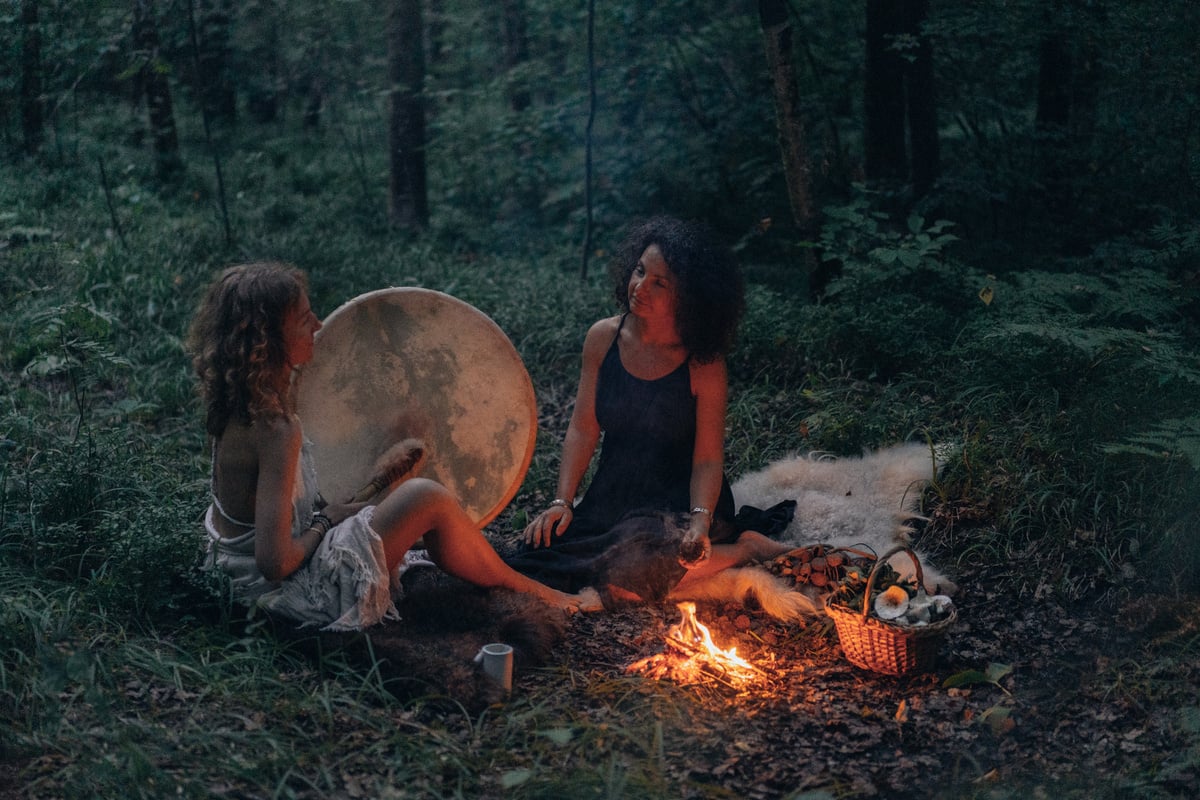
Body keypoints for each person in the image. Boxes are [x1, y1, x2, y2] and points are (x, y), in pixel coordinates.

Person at [189, 262, 597, 630]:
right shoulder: (276, 429)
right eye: (302, 318)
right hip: (279, 595)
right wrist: (325, 521)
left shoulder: (239, 402)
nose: (317, 325)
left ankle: (517, 582)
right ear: (269, 339)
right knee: (426, 497)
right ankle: (542, 594)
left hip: (230, 573)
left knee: (406, 504)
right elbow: (275, 563)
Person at [507, 217, 792, 603]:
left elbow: (707, 458)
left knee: (631, 572)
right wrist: (562, 502)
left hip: (678, 498)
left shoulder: (702, 363)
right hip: (615, 491)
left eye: (660, 283)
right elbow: (583, 428)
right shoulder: (603, 338)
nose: (640, 287)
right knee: (541, 557)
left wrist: (700, 521)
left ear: (689, 297)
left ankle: (744, 548)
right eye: (640, 271)